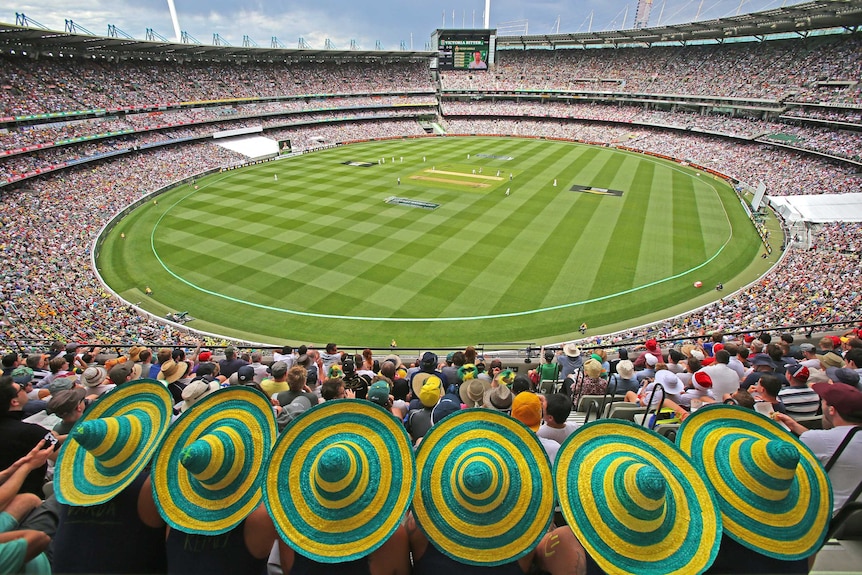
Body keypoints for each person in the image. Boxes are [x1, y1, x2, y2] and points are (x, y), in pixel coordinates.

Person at [774, 382, 862, 514]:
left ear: (832, 410)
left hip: (826, 517)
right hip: (855, 516)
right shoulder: (822, 440)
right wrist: (796, 426)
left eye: (824, 401)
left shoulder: (818, 440)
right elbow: (833, 444)